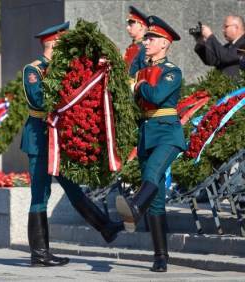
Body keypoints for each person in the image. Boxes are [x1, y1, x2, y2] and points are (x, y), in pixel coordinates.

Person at [21, 22, 124, 267]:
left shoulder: (64, 69)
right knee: (40, 195)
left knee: (73, 188)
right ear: (54, 44)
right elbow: (38, 101)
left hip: (59, 139)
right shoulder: (33, 70)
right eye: (63, 44)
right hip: (39, 139)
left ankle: (105, 227)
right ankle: (39, 253)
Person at [115, 15, 186, 272]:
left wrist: (140, 84)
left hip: (168, 134)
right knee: (155, 200)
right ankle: (160, 257)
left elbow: (156, 96)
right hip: (147, 134)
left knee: (153, 172)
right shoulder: (140, 69)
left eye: (151, 38)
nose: (146, 42)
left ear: (165, 44)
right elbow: (129, 96)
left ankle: (134, 206)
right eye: (146, 38)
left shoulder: (172, 72)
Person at [124, 6, 148, 77]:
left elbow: (145, 74)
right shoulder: (133, 46)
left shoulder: (145, 48)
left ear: (141, 26)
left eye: (131, 25)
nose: (127, 28)